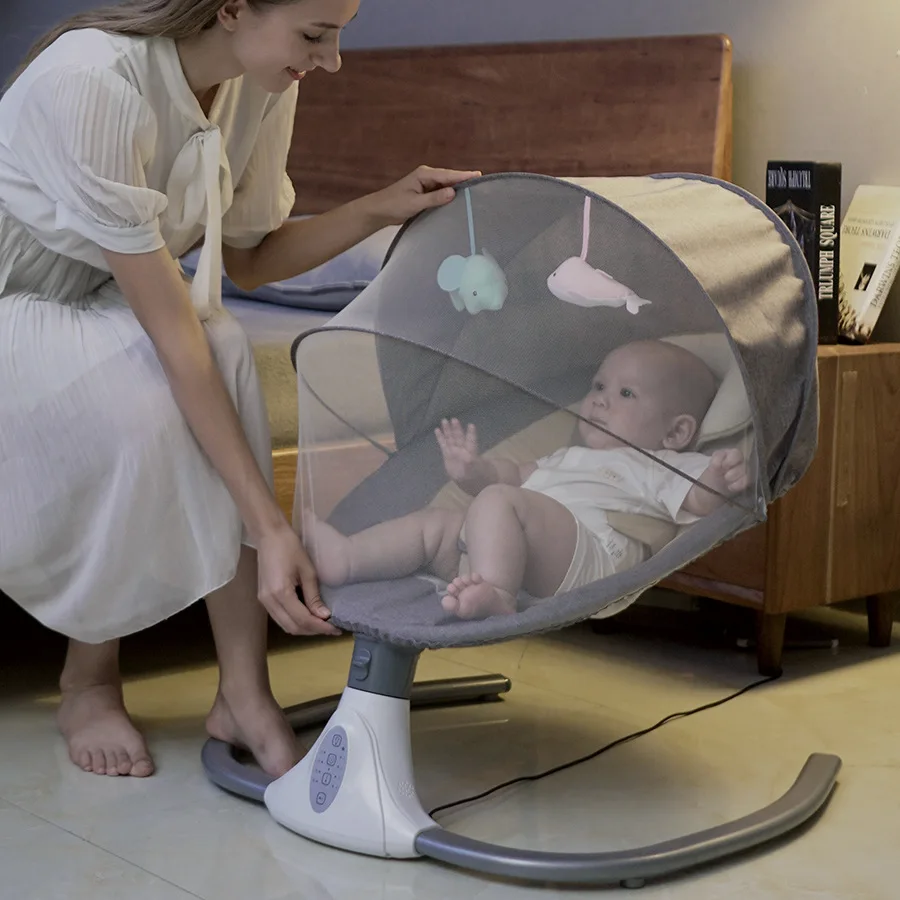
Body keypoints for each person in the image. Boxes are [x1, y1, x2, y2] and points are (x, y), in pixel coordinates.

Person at [0, 0, 479, 780]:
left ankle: (245, 692)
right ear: (230, 9)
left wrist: (381, 207)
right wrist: (271, 526)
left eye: (337, 36)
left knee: (221, 341)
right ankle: (88, 679)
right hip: (13, 300)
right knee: (163, 392)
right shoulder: (93, 82)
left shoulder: (263, 80)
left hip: (95, 298)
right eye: (315, 35)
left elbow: (252, 260)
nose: (330, 61)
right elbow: (171, 335)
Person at [305, 340, 751, 619]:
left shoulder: (658, 464)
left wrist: (718, 476)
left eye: (626, 393)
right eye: (598, 386)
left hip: (587, 556)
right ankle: (348, 558)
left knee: (501, 501)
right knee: (438, 523)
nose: (600, 400)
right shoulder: (569, 456)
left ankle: (498, 594)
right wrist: (472, 472)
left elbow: (700, 500)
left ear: (676, 432)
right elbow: (511, 475)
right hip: (515, 552)